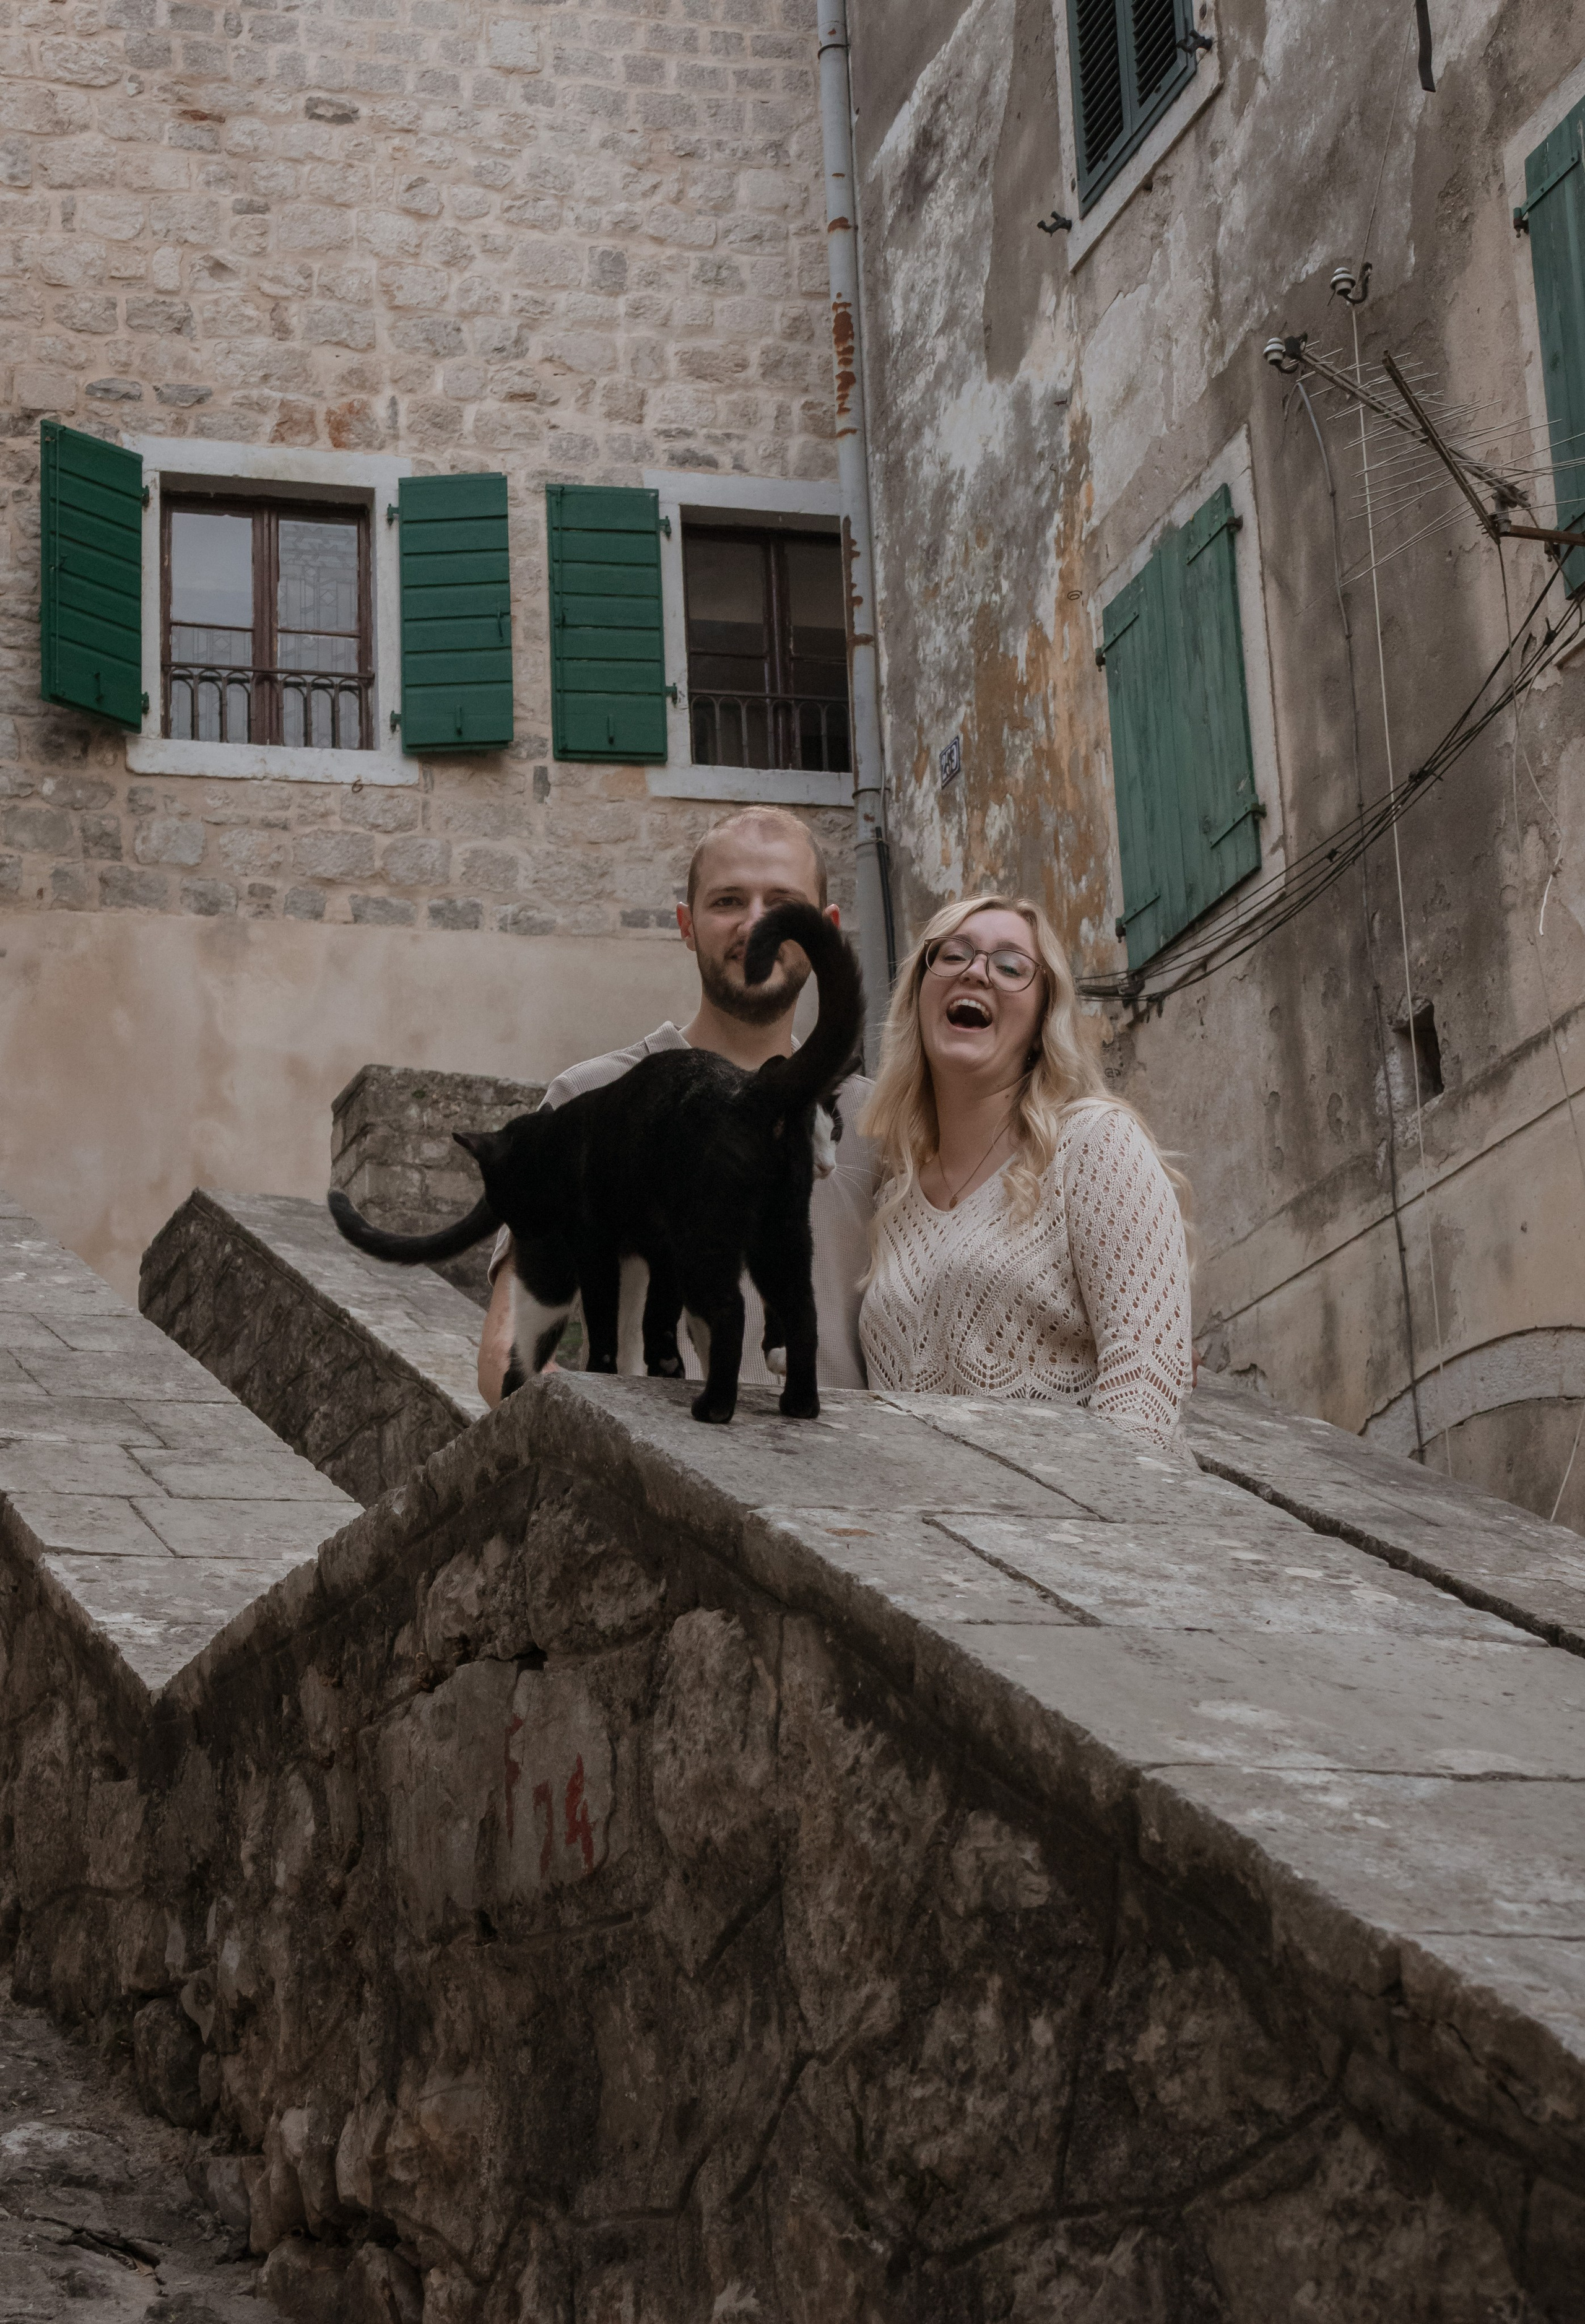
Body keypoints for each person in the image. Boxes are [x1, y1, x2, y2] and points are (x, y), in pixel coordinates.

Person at [477, 805, 876, 1407]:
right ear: (687, 925)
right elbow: (505, 1359)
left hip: (837, 1490)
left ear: (825, 931)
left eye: (782, 903)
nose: (754, 923)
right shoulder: (586, 1097)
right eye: (727, 902)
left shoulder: (877, 1120)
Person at [858, 893, 1194, 1450]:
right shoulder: (891, 1198)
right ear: (918, 993)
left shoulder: (1092, 1144)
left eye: (1011, 966)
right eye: (952, 955)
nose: (977, 972)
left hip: (1077, 1525)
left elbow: (1147, 1381)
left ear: (1042, 1019)